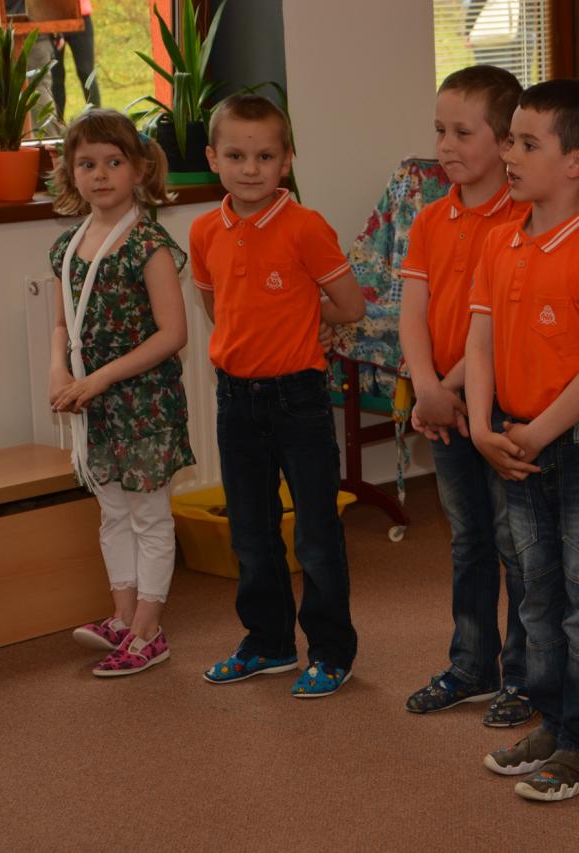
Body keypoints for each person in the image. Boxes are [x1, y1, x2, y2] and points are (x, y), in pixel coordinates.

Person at [467, 79, 579, 802]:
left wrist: (535, 432)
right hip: (513, 440)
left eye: (527, 143)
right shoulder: (498, 240)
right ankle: (556, 722)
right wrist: (481, 426)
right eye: (510, 139)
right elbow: (479, 343)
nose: (509, 154)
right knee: (536, 595)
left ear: (577, 162)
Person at [191, 93, 366, 698]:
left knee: (315, 532)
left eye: (265, 156)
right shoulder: (203, 230)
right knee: (250, 531)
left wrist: (300, 316)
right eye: (236, 156)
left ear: (287, 160)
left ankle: (332, 651)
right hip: (235, 400)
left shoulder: (305, 227)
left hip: (300, 400)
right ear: (212, 158)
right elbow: (217, 306)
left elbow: (350, 305)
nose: (250, 168)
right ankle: (267, 643)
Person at [399, 65, 535, 727]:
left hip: (503, 403)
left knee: (517, 542)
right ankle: (473, 665)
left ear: (506, 142)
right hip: (444, 406)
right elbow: (412, 308)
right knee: (468, 539)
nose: (445, 145)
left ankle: (527, 675)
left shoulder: (525, 218)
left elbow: (502, 324)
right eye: (439, 131)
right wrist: (426, 386)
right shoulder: (430, 218)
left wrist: (445, 388)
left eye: (462, 132)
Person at [48, 108, 192, 677]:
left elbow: (173, 334)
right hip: (97, 406)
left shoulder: (148, 243)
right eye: (87, 164)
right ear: (70, 172)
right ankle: (124, 616)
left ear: (138, 169)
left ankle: (150, 631)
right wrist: (57, 373)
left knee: (148, 515)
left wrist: (101, 377)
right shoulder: (66, 247)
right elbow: (61, 325)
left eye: (113, 162)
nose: (100, 175)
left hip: (144, 404)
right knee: (112, 512)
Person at [50, 0, 101, 119]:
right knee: (55, 75)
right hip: (53, 18)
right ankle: (57, 122)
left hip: (81, 16)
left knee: (86, 72)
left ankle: (96, 119)